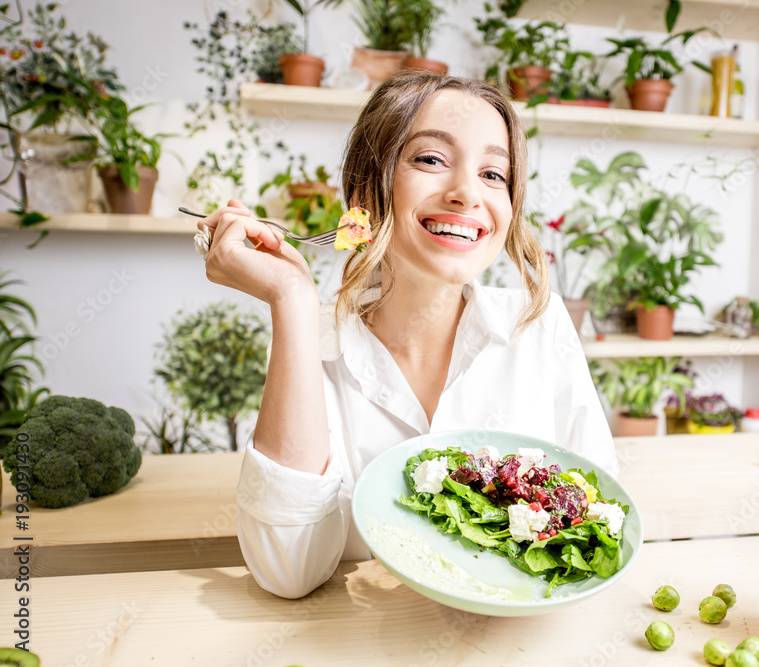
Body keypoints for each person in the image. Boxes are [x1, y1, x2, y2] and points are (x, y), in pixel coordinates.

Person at [194, 72, 617, 599]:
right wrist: (292, 297)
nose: (466, 194)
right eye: (431, 159)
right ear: (364, 196)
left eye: (493, 173)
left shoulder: (540, 323)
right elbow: (289, 570)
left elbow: (602, 527)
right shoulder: (313, 341)